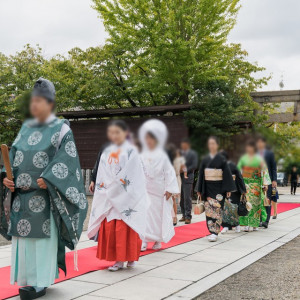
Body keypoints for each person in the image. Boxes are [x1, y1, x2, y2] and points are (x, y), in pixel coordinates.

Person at [0, 78, 87, 299]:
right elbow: (12, 159)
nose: (34, 105)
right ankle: (27, 280)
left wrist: (49, 178)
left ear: (50, 102)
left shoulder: (61, 129)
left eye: (39, 100)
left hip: (43, 198)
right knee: (23, 242)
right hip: (21, 197)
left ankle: (41, 282)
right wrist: (6, 178)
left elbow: (68, 160)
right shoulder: (25, 128)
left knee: (40, 243)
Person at [87, 120, 148, 272]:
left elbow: (135, 173)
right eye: (112, 132)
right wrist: (99, 183)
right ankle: (118, 260)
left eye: (117, 132)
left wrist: (116, 187)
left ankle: (131, 258)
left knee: (127, 224)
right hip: (108, 193)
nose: (114, 135)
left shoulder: (131, 150)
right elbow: (101, 170)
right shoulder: (107, 150)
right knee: (113, 226)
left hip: (125, 195)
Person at [139, 120, 179, 251]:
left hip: (159, 190)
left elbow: (169, 172)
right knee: (144, 215)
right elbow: (137, 171)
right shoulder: (141, 155)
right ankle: (144, 240)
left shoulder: (162, 155)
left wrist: (169, 189)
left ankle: (157, 240)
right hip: (145, 189)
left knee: (158, 216)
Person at [197, 136, 235, 242]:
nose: (211, 146)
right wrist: (199, 189)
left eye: (213, 143)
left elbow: (227, 175)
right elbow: (201, 175)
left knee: (217, 210)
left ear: (217, 145)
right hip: (208, 187)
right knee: (209, 210)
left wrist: (228, 189)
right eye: (210, 144)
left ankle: (215, 232)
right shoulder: (205, 159)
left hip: (219, 188)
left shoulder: (222, 159)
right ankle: (211, 231)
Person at [238, 139, 271, 232]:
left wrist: (265, 184)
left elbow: (264, 171)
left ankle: (255, 224)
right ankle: (246, 224)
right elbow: (238, 170)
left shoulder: (259, 159)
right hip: (245, 183)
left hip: (256, 184)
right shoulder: (243, 158)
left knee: (256, 205)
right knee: (246, 203)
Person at [220, 150, 247, 234]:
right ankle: (226, 226)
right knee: (226, 208)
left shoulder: (231, 165)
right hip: (227, 189)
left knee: (233, 208)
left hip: (233, 190)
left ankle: (236, 225)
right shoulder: (221, 166)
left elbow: (239, 177)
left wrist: (242, 190)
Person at [256, 136, 277, 228]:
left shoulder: (270, 154)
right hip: (257, 180)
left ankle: (266, 220)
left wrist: (274, 180)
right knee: (258, 200)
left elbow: (273, 167)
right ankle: (259, 219)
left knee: (267, 199)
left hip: (267, 180)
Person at [179, 138, 198, 224]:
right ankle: (183, 214)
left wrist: (185, 170)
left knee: (187, 197)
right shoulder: (181, 153)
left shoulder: (193, 154)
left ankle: (188, 216)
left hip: (188, 177)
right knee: (182, 197)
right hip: (180, 177)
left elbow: (194, 165)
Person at [173, 149, 188, 225]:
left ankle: (176, 214)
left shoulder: (180, 159)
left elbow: (184, 167)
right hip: (173, 177)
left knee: (176, 195)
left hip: (176, 177)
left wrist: (185, 174)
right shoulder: (171, 159)